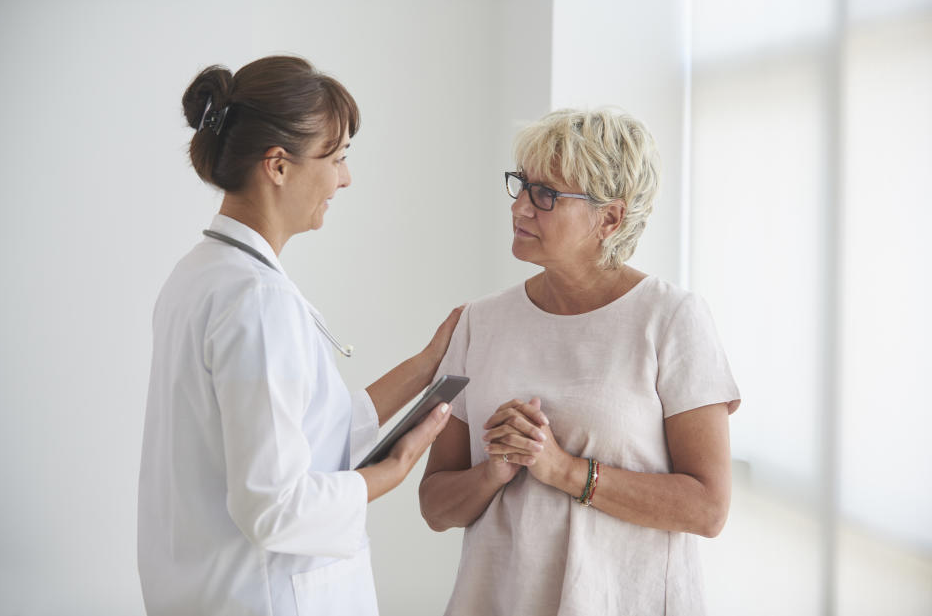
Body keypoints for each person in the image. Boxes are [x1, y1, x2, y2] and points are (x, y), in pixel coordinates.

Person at [138, 55, 461, 616]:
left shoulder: (200, 274)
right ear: (278, 166)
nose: (345, 178)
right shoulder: (258, 301)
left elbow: (307, 430)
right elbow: (274, 505)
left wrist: (427, 365)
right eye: (335, 158)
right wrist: (390, 473)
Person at [419, 108, 741, 616]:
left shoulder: (673, 319)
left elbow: (708, 508)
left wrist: (565, 470)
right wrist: (495, 472)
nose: (520, 208)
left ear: (609, 218)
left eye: (545, 194)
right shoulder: (479, 322)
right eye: (521, 185)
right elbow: (435, 506)